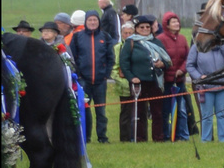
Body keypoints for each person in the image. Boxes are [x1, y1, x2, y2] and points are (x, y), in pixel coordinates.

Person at [118, 14, 168, 143]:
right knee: (139, 112)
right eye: (142, 27)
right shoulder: (131, 42)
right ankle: (140, 138)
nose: (145, 29)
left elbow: (167, 60)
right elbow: (124, 63)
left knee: (157, 112)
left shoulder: (156, 42)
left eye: (147, 27)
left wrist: (162, 64)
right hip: (138, 82)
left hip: (155, 81)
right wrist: (131, 78)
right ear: (136, 29)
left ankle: (158, 137)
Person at [67, 10, 115, 144]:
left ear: (98, 22)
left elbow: (110, 58)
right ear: (85, 22)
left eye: (95, 20)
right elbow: (72, 58)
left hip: (100, 81)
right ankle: (85, 137)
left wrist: (106, 75)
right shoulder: (77, 37)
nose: (93, 22)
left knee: (101, 111)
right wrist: (79, 74)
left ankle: (102, 137)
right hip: (83, 80)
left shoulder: (105, 37)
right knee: (84, 110)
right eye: (90, 20)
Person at [189, 34, 224, 142]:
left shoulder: (221, 45)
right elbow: (190, 65)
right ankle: (206, 139)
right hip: (205, 87)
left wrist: (222, 43)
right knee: (206, 116)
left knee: (222, 114)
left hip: (222, 86)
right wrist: (199, 77)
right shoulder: (196, 47)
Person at [156, 12, 192, 141]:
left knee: (181, 110)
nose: (177, 24)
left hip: (179, 81)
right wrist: (167, 68)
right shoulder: (160, 39)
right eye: (173, 22)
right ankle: (166, 135)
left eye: (177, 21)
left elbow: (188, 57)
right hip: (166, 82)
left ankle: (182, 135)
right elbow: (159, 58)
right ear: (167, 25)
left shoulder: (182, 38)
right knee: (166, 110)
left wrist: (182, 70)